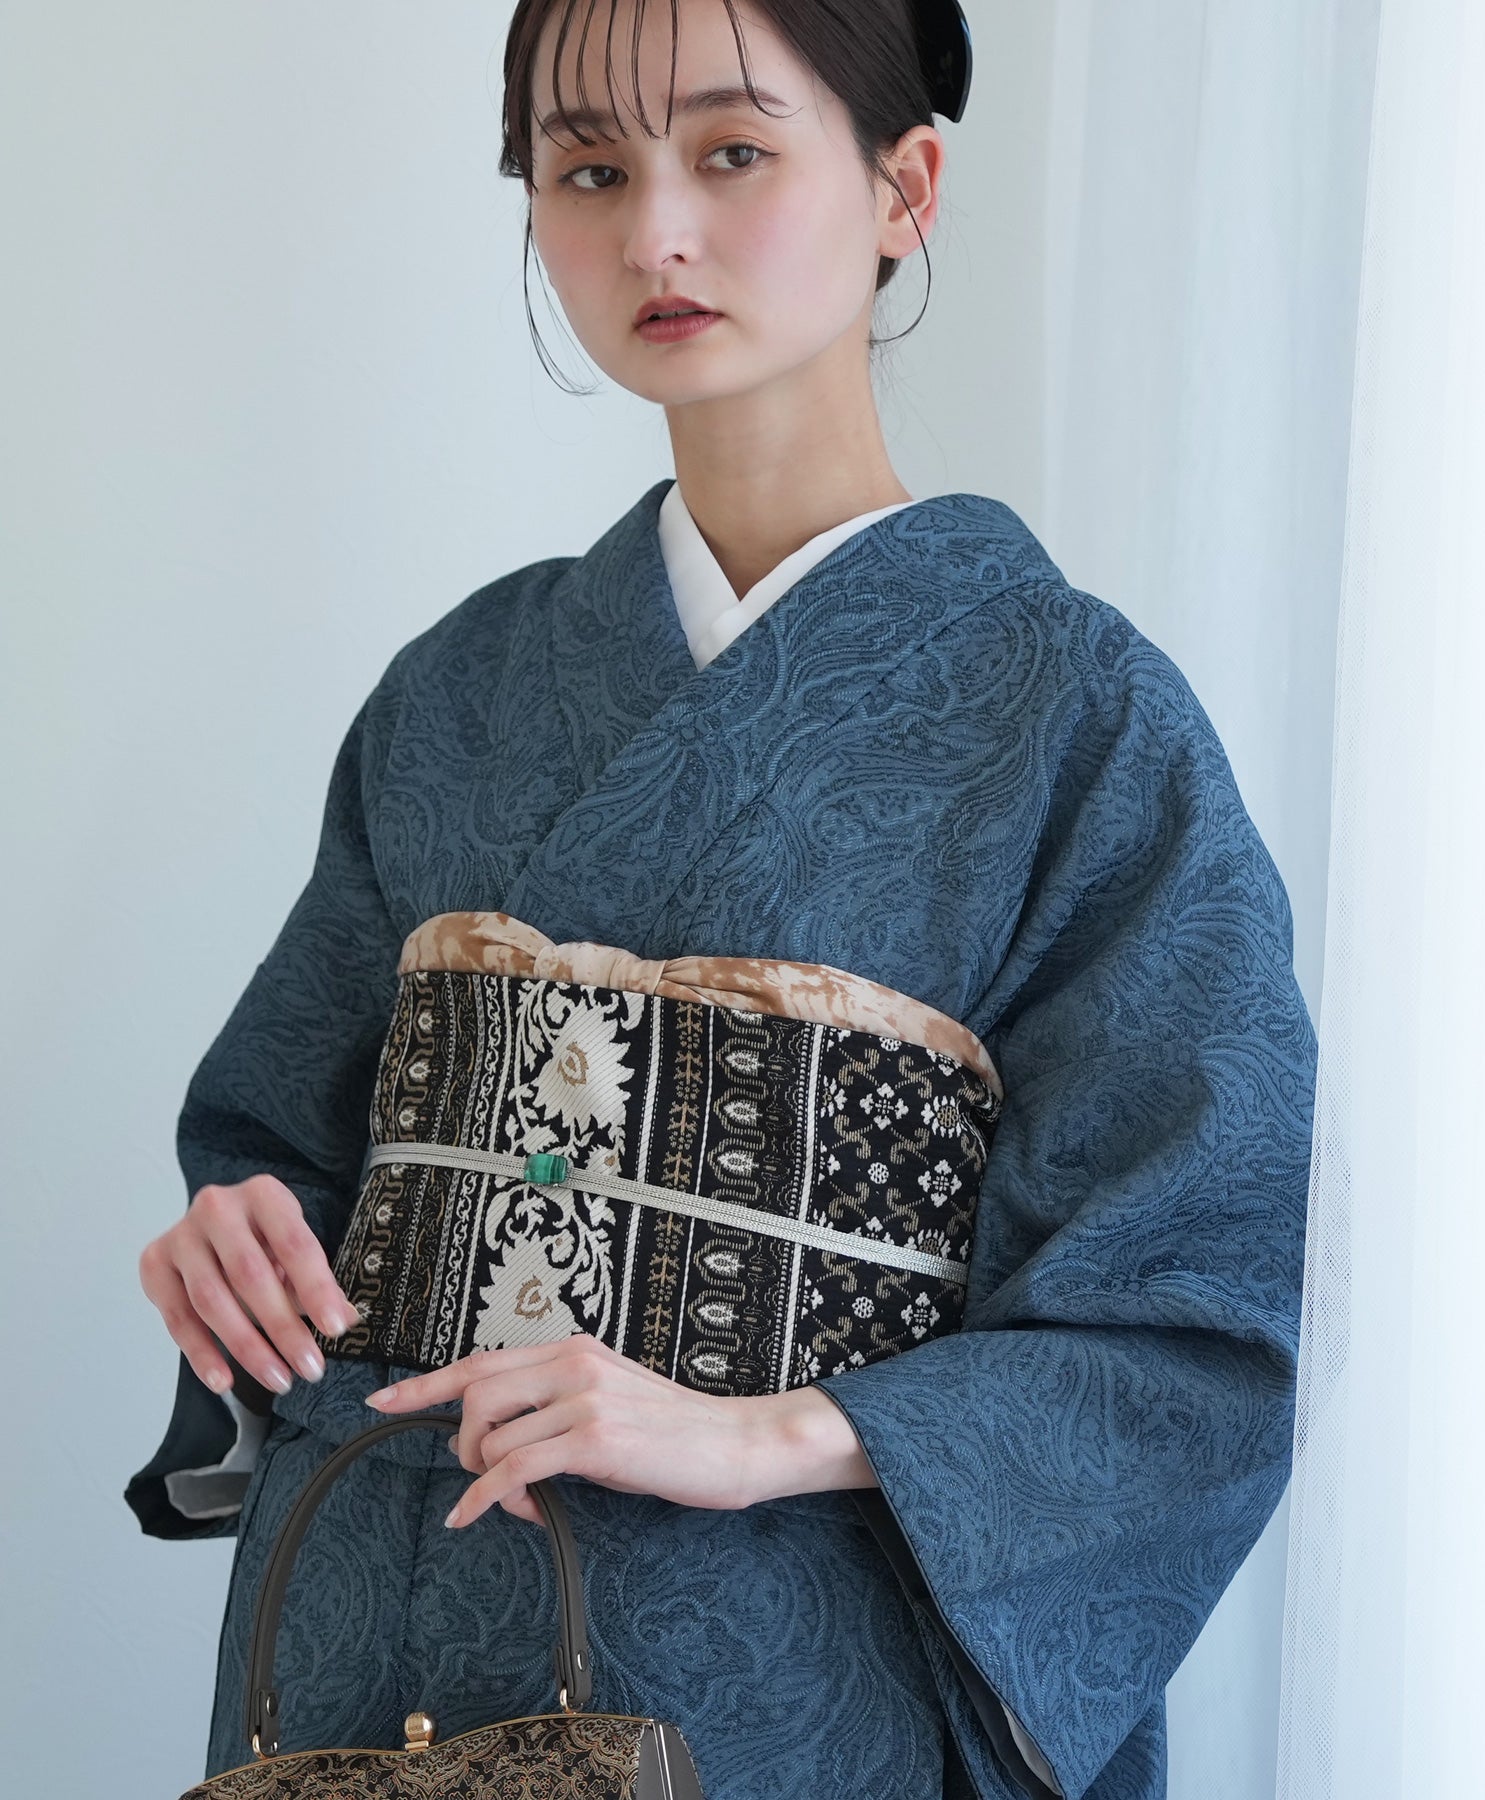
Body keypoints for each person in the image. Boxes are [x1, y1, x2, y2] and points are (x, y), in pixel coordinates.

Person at [127, 3, 1319, 1797]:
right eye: (588, 170)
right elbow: (287, 1144)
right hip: (379, 1639)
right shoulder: (458, 692)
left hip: (789, 1655)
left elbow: (1184, 1315)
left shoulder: (1077, 719)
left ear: (907, 186)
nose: (655, 233)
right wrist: (241, 1247)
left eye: (732, 152)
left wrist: (760, 1433)